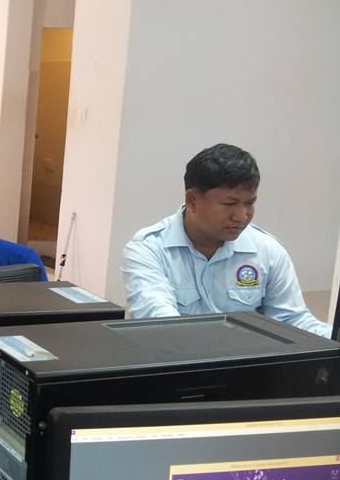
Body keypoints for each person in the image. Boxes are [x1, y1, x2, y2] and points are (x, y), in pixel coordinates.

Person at [122, 143, 331, 337]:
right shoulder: (149, 249)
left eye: (249, 203)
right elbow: (162, 325)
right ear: (192, 200)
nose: (241, 216)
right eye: (229, 204)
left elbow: (292, 320)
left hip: (249, 362)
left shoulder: (266, 250)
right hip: (180, 361)